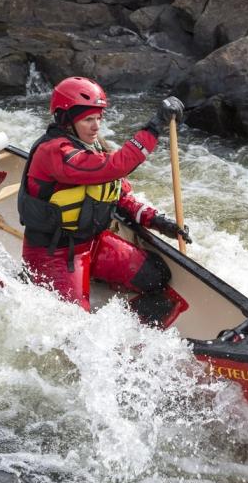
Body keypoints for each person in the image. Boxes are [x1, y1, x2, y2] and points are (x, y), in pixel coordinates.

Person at [17, 76, 192, 325]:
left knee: (156, 275)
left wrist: (159, 222)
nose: (96, 126)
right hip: (54, 255)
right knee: (75, 326)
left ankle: (119, 311)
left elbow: (120, 196)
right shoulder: (54, 152)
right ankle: (40, 281)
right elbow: (115, 167)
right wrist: (154, 127)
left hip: (92, 244)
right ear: (66, 120)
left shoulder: (93, 146)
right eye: (88, 119)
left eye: (99, 118)